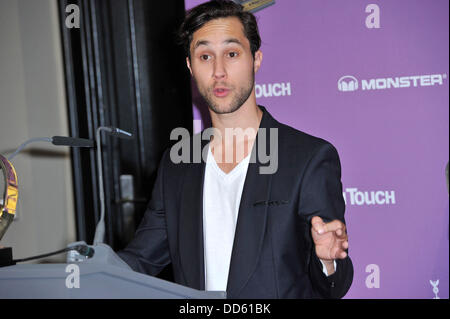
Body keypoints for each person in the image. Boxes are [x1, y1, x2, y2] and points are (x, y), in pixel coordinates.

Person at [117, 0, 353, 299]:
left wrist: (327, 259)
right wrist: (81, 275)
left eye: (231, 54)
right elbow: (141, 260)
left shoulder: (308, 158)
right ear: (190, 66)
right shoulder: (177, 163)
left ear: (255, 59)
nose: (218, 71)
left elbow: (337, 284)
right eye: (205, 56)